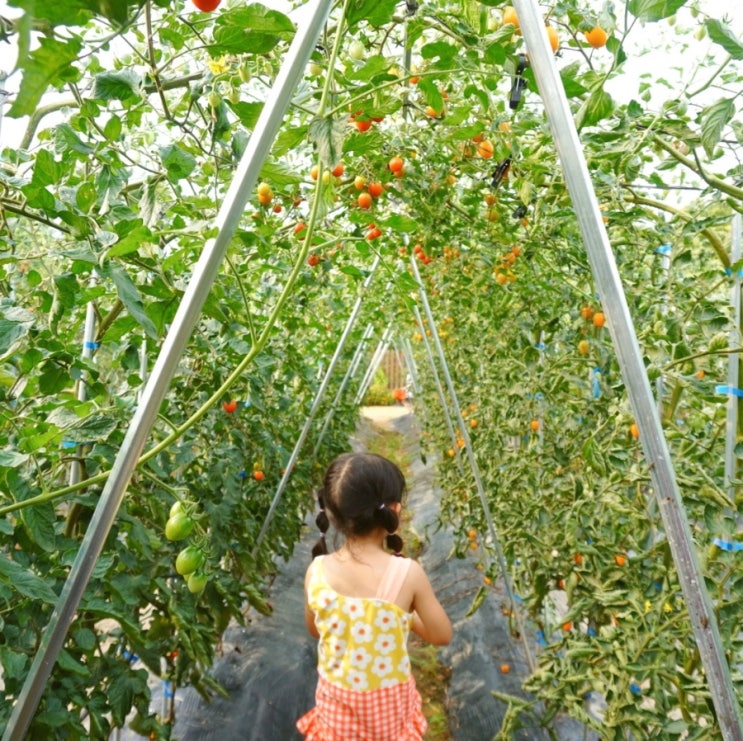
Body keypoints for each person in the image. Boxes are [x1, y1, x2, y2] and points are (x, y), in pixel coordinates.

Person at [297, 452, 453, 741]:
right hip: (388, 716)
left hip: (337, 716)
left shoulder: (317, 572)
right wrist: (405, 612)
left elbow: (315, 628)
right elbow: (441, 634)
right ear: (395, 510)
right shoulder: (407, 574)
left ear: (330, 513)